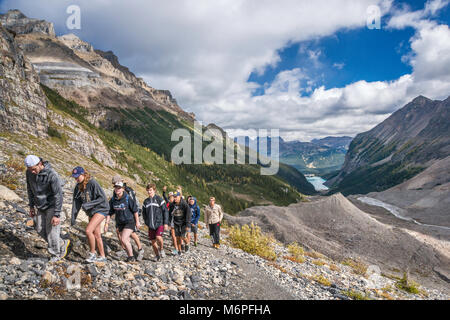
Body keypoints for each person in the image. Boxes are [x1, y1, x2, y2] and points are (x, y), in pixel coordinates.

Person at [25, 155, 71, 262]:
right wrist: (31, 206)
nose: (32, 172)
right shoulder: (29, 173)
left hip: (52, 205)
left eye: (34, 169)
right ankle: (61, 243)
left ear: (40, 164)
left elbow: (58, 195)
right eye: (30, 170)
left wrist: (56, 214)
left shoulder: (52, 175)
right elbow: (29, 189)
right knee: (39, 228)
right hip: (40, 205)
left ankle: (56, 255)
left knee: (51, 231)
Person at [71, 166, 109, 263]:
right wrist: (73, 218)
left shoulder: (92, 183)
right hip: (91, 211)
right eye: (74, 177)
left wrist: (88, 204)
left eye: (77, 176)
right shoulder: (77, 187)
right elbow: (76, 203)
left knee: (88, 231)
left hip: (101, 209)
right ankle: (102, 257)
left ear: (83, 174)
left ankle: (92, 254)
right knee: (97, 234)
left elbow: (102, 198)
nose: (76, 179)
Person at [104, 180, 140, 262]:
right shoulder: (113, 200)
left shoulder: (127, 198)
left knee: (124, 238)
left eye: (119, 188)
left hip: (129, 221)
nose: (117, 189)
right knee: (125, 241)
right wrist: (106, 224)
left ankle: (131, 257)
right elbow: (109, 212)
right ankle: (130, 256)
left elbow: (135, 210)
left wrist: (137, 222)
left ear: (123, 189)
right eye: (116, 187)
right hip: (120, 223)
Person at [111, 176, 144, 261]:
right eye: (114, 184)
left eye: (115, 183)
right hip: (121, 216)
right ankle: (126, 250)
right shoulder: (115, 193)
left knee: (131, 234)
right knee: (120, 233)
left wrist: (137, 221)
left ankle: (140, 249)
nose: (115, 185)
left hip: (130, 214)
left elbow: (134, 205)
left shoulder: (128, 191)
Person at [142, 183, 169, 261]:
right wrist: (146, 221)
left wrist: (166, 223)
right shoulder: (146, 201)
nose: (149, 192)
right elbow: (144, 213)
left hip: (159, 223)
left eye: (150, 190)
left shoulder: (159, 199)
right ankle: (157, 256)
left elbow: (165, 211)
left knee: (158, 237)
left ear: (154, 190)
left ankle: (162, 249)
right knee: (153, 241)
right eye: (148, 190)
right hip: (150, 224)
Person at [163, 186, 178, 254]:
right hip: (172, 221)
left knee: (180, 237)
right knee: (173, 235)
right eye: (172, 197)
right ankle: (176, 249)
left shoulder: (181, 204)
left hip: (179, 222)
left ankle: (185, 244)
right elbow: (169, 214)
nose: (173, 198)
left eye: (174, 197)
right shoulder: (170, 204)